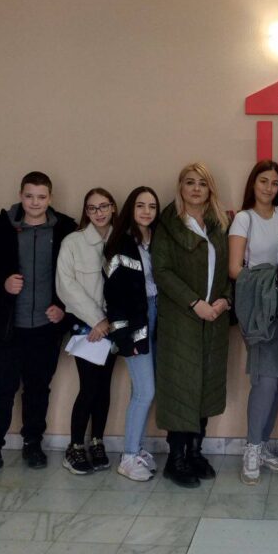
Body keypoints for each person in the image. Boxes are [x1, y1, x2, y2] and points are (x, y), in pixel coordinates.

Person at [0, 171, 77, 481]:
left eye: (41, 197)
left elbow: (79, 278)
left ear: (50, 198)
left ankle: (33, 444)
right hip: (7, 329)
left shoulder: (65, 230)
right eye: (29, 196)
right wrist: (3, 284)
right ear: (20, 196)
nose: (35, 202)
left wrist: (63, 310)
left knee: (38, 389)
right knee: (0, 390)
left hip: (45, 328)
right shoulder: (2, 228)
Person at [152, 162, 232, 488]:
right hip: (181, 319)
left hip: (214, 318)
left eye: (202, 183)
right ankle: (176, 459)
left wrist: (225, 300)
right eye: (190, 182)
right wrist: (194, 303)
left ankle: (196, 452)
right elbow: (162, 271)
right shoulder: (168, 225)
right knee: (181, 387)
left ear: (210, 189)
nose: (196, 188)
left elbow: (231, 270)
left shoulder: (219, 225)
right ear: (180, 187)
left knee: (205, 386)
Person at [228, 160, 278, 484]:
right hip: (258, 309)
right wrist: (270, 280)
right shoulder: (244, 218)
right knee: (264, 380)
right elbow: (235, 269)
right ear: (253, 183)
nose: (269, 188)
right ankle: (251, 448)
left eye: (274, 183)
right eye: (263, 181)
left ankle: (262, 444)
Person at [55, 188, 116, 475]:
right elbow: (66, 286)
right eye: (92, 208)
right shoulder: (73, 242)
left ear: (113, 207)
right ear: (86, 212)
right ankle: (75, 446)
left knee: (104, 388)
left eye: (104, 206)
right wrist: (97, 320)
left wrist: (110, 322)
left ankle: (97, 441)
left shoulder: (122, 240)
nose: (99, 212)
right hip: (87, 328)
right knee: (89, 387)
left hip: (113, 327)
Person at [103, 186, 161, 482]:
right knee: (144, 391)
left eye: (152, 206)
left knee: (148, 389)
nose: (146, 211)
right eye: (140, 205)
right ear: (131, 208)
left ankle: (137, 448)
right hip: (136, 320)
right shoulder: (121, 243)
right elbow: (114, 296)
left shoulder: (157, 240)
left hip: (159, 317)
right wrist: (123, 335)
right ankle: (128, 456)